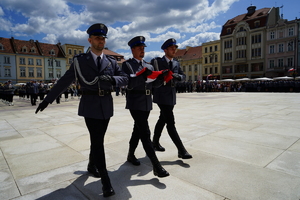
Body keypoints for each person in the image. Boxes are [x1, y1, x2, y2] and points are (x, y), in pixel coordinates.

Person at [35, 23, 128, 197]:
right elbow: (64, 81)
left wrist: (114, 79)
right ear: (90, 40)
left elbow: (125, 79)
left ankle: (91, 166)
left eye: (103, 38)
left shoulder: (111, 61)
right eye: (98, 38)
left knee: (97, 139)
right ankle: (106, 182)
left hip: (106, 105)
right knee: (98, 141)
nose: (101, 41)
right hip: (90, 105)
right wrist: (47, 99)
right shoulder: (80, 62)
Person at [122, 36, 169, 178]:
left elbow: (153, 84)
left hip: (147, 101)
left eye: (143, 48)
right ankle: (156, 166)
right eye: (139, 48)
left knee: (138, 130)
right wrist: (141, 76)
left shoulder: (149, 66)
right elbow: (129, 83)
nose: (142, 50)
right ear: (133, 50)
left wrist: (161, 79)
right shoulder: (128, 65)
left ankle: (130, 155)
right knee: (145, 132)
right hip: (135, 101)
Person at [151, 38, 192, 159]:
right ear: (165, 50)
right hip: (161, 94)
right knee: (170, 122)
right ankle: (181, 150)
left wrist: (177, 76)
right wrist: (160, 76)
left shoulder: (176, 63)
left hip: (172, 94)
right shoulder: (156, 61)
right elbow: (150, 75)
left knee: (162, 119)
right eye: (172, 48)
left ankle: (155, 142)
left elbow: (183, 76)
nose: (174, 50)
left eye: (175, 48)